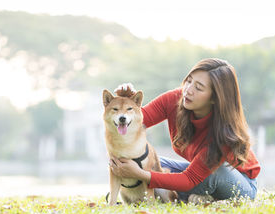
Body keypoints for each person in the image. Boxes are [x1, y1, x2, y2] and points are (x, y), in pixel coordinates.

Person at [109, 58, 260, 203]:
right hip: (199, 173)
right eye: (189, 81)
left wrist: (139, 174)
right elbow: (138, 122)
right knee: (146, 161)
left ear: (215, 98)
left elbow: (190, 179)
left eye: (198, 87)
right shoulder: (175, 99)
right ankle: (178, 195)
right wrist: (128, 105)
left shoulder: (224, 133)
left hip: (239, 183)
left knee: (214, 174)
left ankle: (187, 195)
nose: (188, 90)